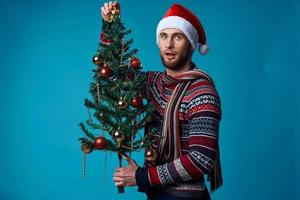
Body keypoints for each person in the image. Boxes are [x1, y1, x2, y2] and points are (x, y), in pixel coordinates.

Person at [101, 2, 223, 200]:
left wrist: (141, 176)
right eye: (164, 36)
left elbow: (201, 160)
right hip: (156, 193)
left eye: (178, 37)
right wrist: (110, 27)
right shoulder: (154, 82)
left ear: (191, 44)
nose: (169, 44)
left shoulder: (202, 93)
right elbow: (112, 77)